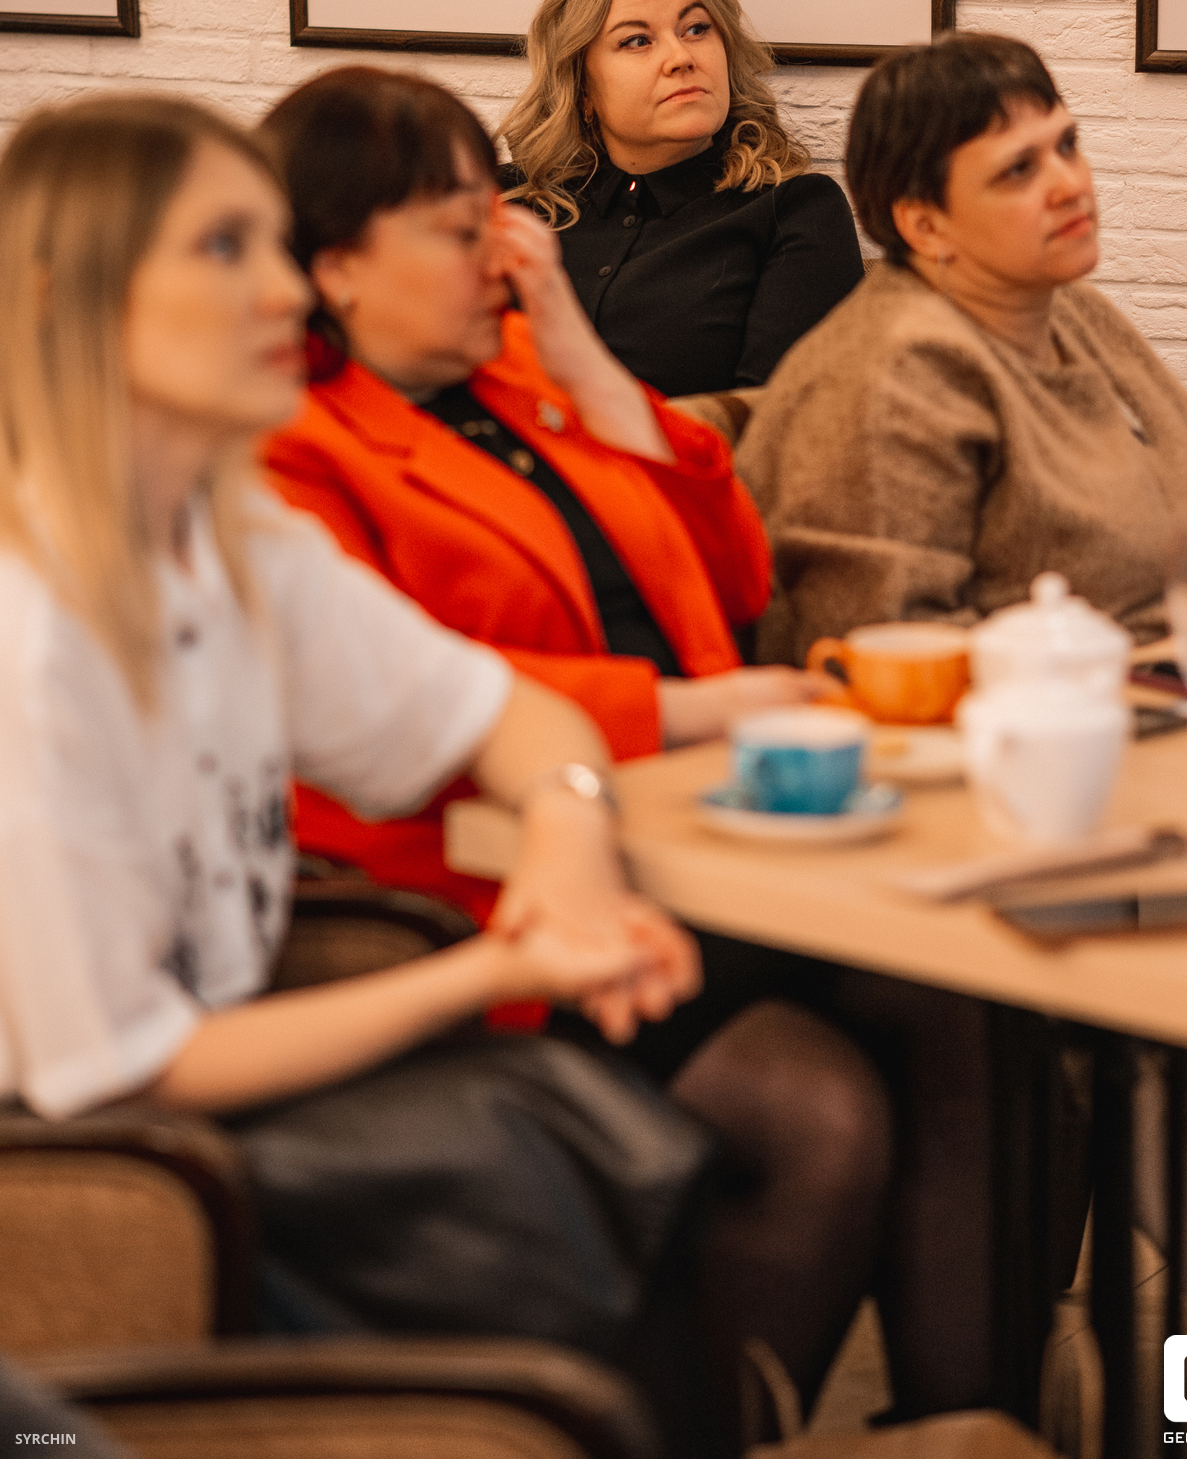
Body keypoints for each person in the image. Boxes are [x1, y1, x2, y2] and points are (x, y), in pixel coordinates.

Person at [0, 93, 892, 1458]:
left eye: (274, 245)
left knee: (657, 1160)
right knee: (612, 1180)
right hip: (93, 1179)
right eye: (225, 250)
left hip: (228, 1077)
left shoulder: (236, 543)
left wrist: (569, 853)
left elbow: (519, 719)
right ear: (71, 299)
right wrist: (500, 965)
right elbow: (129, 1072)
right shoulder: (37, 642)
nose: (286, 289)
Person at [259, 65, 820, 921]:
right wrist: (685, 712)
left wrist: (590, 368)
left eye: (500, 220)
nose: (506, 257)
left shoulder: (521, 369)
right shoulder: (287, 444)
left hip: (696, 808)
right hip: (484, 870)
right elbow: (395, 681)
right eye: (463, 234)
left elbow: (740, 584)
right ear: (337, 270)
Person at [738, 32, 1187, 662]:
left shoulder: (1068, 305)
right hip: (1076, 711)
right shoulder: (894, 374)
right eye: (1018, 170)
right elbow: (891, 652)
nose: (1070, 185)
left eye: (1067, 145)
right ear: (924, 224)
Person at [499, 0, 863, 397]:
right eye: (637, 41)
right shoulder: (511, 202)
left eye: (696, 29)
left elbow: (778, 419)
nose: (681, 58)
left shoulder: (794, 210)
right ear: (583, 89)